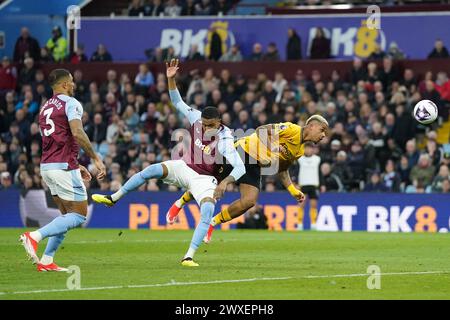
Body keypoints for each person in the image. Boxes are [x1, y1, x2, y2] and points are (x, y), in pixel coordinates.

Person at [92, 59, 245, 267]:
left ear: (219, 123)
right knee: (151, 170)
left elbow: (241, 167)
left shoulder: (226, 139)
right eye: (204, 124)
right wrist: (171, 79)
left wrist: (224, 183)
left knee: (208, 211)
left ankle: (188, 256)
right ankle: (113, 198)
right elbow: (177, 102)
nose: (206, 127)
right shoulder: (197, 118)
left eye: (210, 125)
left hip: (205, 179)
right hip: (184, 167)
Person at [169, 115, 329, 243]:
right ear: (311, 126)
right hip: (242, 151)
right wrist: (273, 150)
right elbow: (261, 130)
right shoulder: (291, 129)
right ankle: (180, 203)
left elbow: (282, 168)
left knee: (249, 201)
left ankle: (212, 223)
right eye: (322, 130)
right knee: (212, 180)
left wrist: (293, 190)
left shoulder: (299, 150)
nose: (323, 135)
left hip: (254, 165)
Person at [19, 68, 106, 272]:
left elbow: (56, 140)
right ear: (65, 84)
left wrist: (78, 164)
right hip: (63, 167)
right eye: (72, 82)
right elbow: (77, 132)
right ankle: (34, 237)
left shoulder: (44, 108)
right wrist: (95, 158)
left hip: (48, 166)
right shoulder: (71, 103)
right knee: (79, 216)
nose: (74, 85)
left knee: (66, 216)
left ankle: (47, 260)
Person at [297, 143, 320, 231]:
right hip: (303, 185)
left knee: (313, 205)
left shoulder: (317, 159)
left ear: (313, 150)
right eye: (307, 148)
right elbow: (296, 171)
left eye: (310, 148)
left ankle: (313, 224)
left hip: (314, 185)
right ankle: (299, 224)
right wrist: (295, 182)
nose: (308, 150)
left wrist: (322, 184)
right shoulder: (300, 159)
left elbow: (319, 173)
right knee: (301, 205)